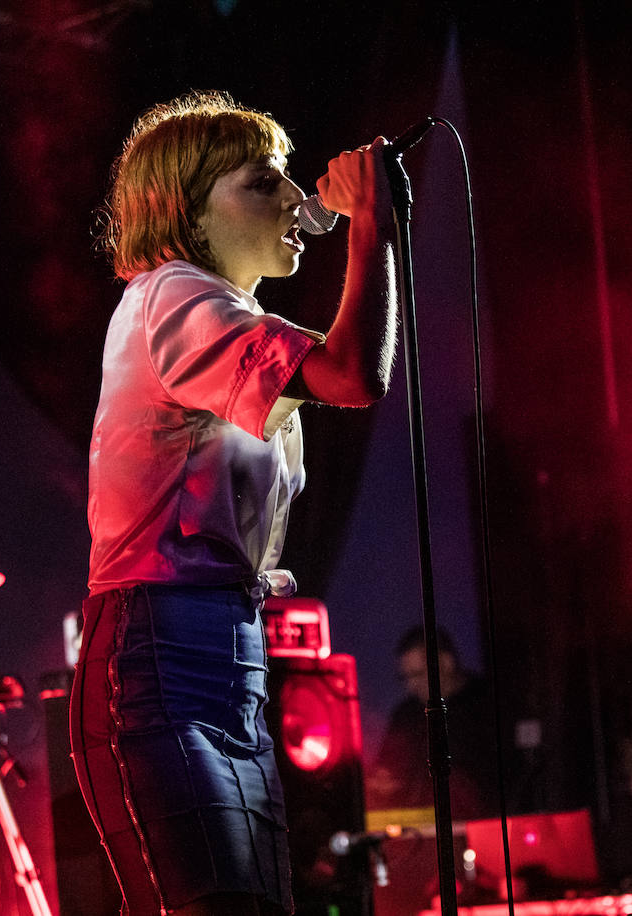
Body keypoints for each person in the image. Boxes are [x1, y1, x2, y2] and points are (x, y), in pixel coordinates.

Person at [69, 91, 397, 916]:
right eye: (263, 183)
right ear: (187, 212)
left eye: (288, 180)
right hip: (158, 650)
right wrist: (372, 225)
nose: (294, 199)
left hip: (227, 656)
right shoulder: (174, 295)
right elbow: (355, 376)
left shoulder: (232, 316)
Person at [367, 625, 498, 818]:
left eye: (418, 674)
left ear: (446, 663)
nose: (411, 686)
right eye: (405, 678)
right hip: (420, 828)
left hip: (480, 823)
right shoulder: (406, 715)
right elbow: (388, 767)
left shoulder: (488, 703)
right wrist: (383, 781)